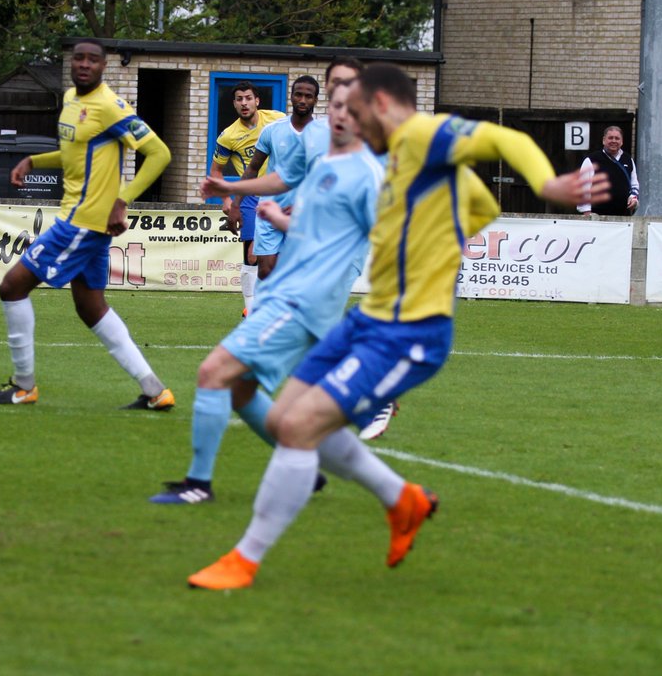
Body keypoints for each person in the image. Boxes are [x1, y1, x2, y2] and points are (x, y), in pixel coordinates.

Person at [187, 63, 609, 590]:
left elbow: (505, 137)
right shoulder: (386, 161)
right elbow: (478, 205)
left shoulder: (424, 135)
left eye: (360, 113)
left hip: (412, 330)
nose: (356, 125)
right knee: (284, 420)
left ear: (382, 106)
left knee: (297, 428)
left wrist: (547, 183)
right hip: (368, 319)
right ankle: (402, 500)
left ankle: (244, 561)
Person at [150, 78, 382, 505]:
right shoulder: (318, 149)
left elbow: (352, 233)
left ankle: (200, 485)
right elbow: (279, 180)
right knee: (241, 387)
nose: (334, 114)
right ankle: (393, 492)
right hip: (297, 285)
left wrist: (291, 219)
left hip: (312, 290)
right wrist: (232, 192)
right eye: (334, 104)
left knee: (217, 374)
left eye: (345, 107)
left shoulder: (365, 171)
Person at [0, 39, 176, 411]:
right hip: (82, 222)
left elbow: (159, 153)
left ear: (104, 66)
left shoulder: (110, 107)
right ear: (71, 63)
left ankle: (23, 386)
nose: (85, 64)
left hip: (82, 223)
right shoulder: (71, 99)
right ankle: (155, 391)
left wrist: (122, 199)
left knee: (12, 286)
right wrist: (35, 161)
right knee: (90, 306)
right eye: (79, 58)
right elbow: (74, 156)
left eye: (93, 59)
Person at [209, 82, 286, 314]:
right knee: (252, 256)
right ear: (234, 104)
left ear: (257, 101)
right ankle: (251, 309)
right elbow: (216, 172)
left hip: (282, 193)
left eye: (248, 98)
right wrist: (226, 201)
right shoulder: (228, 137)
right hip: (251, 196)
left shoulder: (277, 119)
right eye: (239, 99)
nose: (244, 103)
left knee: (277, 255)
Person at [242, 76, 321, 281]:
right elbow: (252, 169)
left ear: (315, 100)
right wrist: (235, 205)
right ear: (291, 97)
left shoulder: (324, 135)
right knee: (265, 271)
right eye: (298, 94)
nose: (302, 100)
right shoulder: (272, 130)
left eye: (308, 96)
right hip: (270, 209)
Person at [577, 126, 638, 215]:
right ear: (604, 140)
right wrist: (586, 212)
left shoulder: (628, 159)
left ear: (622, 141)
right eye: (610, 138)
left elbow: (634, 184)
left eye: (617, 138)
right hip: (597, 215)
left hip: (624, 217)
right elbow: (583, 187)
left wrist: (633, 199)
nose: (614, 141)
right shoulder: (592, 160)